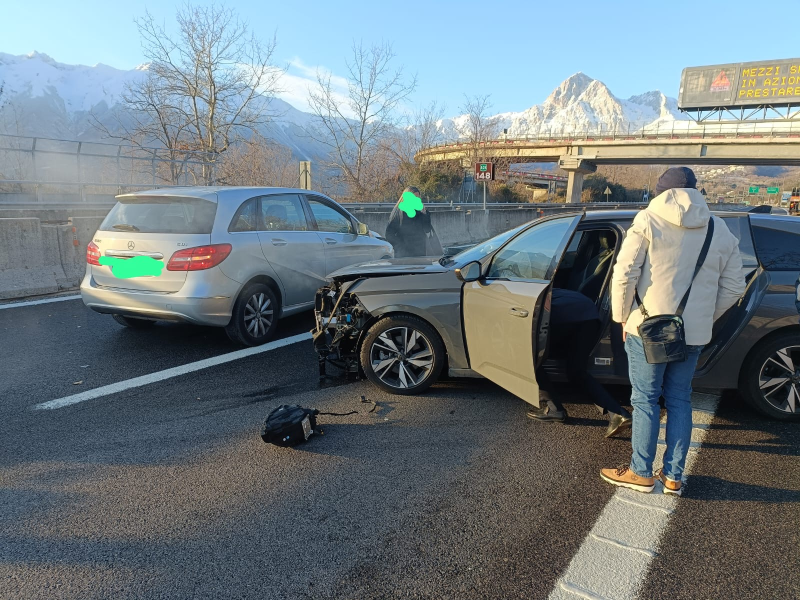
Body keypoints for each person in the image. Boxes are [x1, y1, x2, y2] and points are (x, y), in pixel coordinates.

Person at [601, 167, 745, 496]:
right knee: (680, 399)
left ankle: (641, 473)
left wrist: (623, 317)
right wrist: (704, 317)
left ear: (660, 192)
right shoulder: (719, 229)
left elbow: (624, 274)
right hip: (692, 333)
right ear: (695, 191)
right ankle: (673, 478)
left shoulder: (648, 220)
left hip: (647, 328)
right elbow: (736, 285)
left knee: (646, 400)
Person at [527, 288, 633, 438]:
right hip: (589, 318)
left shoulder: (521, 295)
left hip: (571, 320)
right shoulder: (546, 288)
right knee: (576, 371)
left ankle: (554, 409)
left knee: (530, 359)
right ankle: (618, 414)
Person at [384, 186, 443, 258]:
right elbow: (389, 234)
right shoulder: (398, 212)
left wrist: (425, 214)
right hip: (404, 254)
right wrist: (400, 246)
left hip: (421, 252)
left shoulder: (420, 210)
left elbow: (427, 229)